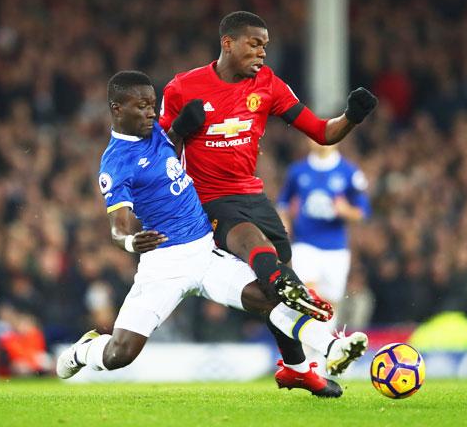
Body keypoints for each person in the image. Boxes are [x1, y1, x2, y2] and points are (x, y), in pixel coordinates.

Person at [56, 71, 368, 397]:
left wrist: (181, 128)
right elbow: (118, 226)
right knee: (120, 355)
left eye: (152, 104)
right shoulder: (116, 163)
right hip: (164, 265)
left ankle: (332, 347)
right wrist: (131, 241)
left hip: (205, 252)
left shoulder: (158, 132)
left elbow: (170, 146)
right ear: (117, 109)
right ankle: (83, 351)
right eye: (141, 107)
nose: (151, 112)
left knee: (269, 294)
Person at [158, 11, 376, 378]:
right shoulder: (182, 88)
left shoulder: (269, 85)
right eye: (255, 44)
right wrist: (180, 130)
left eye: (265, 46)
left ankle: (296, 367)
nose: (262, 53)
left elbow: (322, 133)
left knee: (278, 284)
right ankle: (328, 343)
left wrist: (351, 117)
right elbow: (157, 154)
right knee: (258, 251)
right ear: (228, 43)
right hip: (206, 199)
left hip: (253, 196)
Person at [277, 141, 371, 313]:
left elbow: (363, 212)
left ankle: (323, 337)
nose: (321, 140)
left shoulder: (349, 172)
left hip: (336, 248)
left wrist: (346, 211)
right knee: (307, 293)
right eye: (314, 136)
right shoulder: (297, 171)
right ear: (308, 140)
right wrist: (285, 221)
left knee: (330, 303)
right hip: (305, 243)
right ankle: (305, 336)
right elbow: (283, 202)